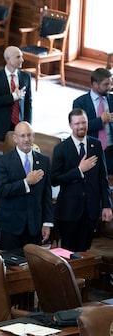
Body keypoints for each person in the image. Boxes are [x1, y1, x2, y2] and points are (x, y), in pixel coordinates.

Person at [52, 108, 113, 252]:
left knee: (85, 252)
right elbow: (54, 179)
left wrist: (106, 205)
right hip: (69, 211)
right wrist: (79, 171)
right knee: (69, 254)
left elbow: (102, 178)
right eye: (77, 123)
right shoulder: (61, 148)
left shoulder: (96, 145)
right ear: (70, 125)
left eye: (84, 123)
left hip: (90, 211)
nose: (81, 127)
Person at [0, 122, 53, 250]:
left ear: (33, 137)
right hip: (11, 226)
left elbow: (46, 195)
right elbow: (1, 190)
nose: (26, 139)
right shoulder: (3, 161)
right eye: (22, 136)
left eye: (29, 135)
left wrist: (47, 223)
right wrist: (26, 182)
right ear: (15, 138)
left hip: (34, 227)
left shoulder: (44, 161)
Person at [0, 46, 32, 144]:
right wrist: (14, 96)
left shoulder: (26, 77)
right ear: (8, 59)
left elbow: (28, 104)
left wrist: (28, 126)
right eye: (18, 57)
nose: (22, 60)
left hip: (19, 128)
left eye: (22, 57)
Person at [72, 67, 113, 174]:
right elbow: (79, 129)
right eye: (106, 84)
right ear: (95, 85)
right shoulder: (80, 103)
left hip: (110, 150)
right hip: (90, 151)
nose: (109, 87)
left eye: (110, 84)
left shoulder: (112, 100)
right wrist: (101, 120)